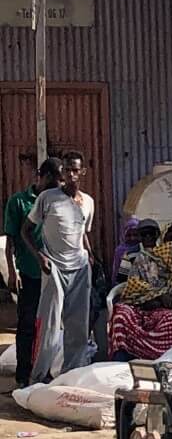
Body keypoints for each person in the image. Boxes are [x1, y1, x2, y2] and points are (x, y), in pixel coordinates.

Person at [23, 152, 96, 383]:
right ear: (62, 172)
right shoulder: (47, 198)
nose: (71, 174)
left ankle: (72, 374)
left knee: (78, 325)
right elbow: (25, 231)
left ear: (82, 172)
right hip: (53, 266)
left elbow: (82, 232)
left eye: (75, 170)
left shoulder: (88, 202)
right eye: (67, 170)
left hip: (80, 267)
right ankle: (40, 376)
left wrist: (91, 255)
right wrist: (40, 257)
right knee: (50, 325)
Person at [4, 160, 60, 387]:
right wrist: (11, 271)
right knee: (27, 324)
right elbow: (10, 239)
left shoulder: (57, 200)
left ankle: (43, 371)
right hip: (29, 272)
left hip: (54, 275)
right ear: (42, 176)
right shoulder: (18, 202)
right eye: (53, 181)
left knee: (49, 326)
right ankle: (23, 374)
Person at [107, 219, 172, 361]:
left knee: (170, 320)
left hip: (159, 306)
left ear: (157, 235)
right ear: (140, 237)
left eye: (151, 233)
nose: (148, 237)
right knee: (120, 316)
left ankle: (166, 361)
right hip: (137, 303)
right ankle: (121, 360)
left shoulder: (166, 254)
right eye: (144, 234)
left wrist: (159, 298)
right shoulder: (130, 255)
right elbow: (124, 285)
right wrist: (146, 297)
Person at [111, 217, 141, 285]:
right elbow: (116, 271)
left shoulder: (143, 248)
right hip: (125, 284)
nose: (132, 238)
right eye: (128, 235)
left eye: (135, 235)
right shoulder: (120, 250)